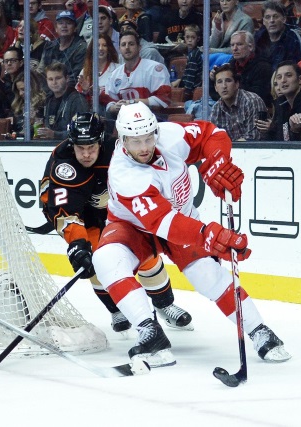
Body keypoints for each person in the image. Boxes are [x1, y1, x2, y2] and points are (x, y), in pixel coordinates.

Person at [89, 102, 291, 367]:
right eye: (136, 141)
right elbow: (162, 221)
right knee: (105, 260)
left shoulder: (169, 135)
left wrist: (218, 160)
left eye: (149, 137)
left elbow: (212, 133)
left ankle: (260, 331)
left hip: (182, 218)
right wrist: (208, 235)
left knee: (207, 274)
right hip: (134, 229)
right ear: (122, 139)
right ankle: (150, 331)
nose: (144, 147)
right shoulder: (124, 173)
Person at [40, 112, 194, 333]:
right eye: (80, 147)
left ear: (101, 140)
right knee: (95, 262)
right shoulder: (63, 165)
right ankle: (116, 310)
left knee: (147, 256)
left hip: (119, 212)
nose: (85, 154)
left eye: (91, 147)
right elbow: (64, 212)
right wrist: (77, 243)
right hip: (84, 218)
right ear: (71, 143)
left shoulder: (118, 151)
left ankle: (164, 304)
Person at [100, 29, 171, 133]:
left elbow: (163, 100)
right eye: (123, 45)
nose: (127, 47)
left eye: (131, 44)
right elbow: (109, 102)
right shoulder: (115, 74)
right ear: (119, 49)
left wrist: (133, 103)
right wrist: (114, 107)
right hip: (125, 123)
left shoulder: (155, 68)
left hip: (153, 121)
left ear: (139, 47)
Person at [258, 61, 301, 141]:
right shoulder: (280, 104)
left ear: (300, 79)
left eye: (288, 75)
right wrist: (270, 130)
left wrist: (296, 130)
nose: (283, 80)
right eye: (279, 77)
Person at [210, 64, 268, 141]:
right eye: (219, 82)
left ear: (236, 84)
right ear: (216, 88)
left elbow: (253, 137)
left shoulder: (251, 101)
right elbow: (213, 139)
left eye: (228, 81)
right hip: (230, 150)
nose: (224, 86)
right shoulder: (216, 108)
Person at [38, 62, 89, 140]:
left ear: (67, 78)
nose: (54, 82)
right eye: (50, 79)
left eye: (58, 78)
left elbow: (83, 130)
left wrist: (55, 135)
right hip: (49, 147)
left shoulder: (77, 100)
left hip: (71, 148)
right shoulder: (47, 100)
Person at [37, 10, 88, 86]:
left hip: (70, 90)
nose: (64, 26)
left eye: (68, 23)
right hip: (47, 88)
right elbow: (40, 71)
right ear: (56, 28)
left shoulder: (82, 47)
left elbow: (75, 76)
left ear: (75, 28)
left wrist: (55, 87)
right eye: (61, 23)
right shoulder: (49, 45)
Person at [254, 0, 301, 71]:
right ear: (263, 21)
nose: (271, 20)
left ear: (284, 19)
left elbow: (299, 68)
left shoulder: (294, 38)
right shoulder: (258, 39)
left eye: (275, 16)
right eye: (268, 17)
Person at [76, 33, 120, 104]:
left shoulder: (118, 69)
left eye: (104, 45)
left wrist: (99, 94)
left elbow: (120, 97)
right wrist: (85, 91)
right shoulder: (85, 70)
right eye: (97, 45)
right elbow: (78, 100)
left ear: (109, 48)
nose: (101, 48)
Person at [170, 24, 202, 101]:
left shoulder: (194, 55)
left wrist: (185, 94)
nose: (190, 40)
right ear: (184, 38)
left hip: (192, 89)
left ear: (198, 39)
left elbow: (190, 78)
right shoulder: (191, 53)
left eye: (193, 37)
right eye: (187, 37)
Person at [10, 70, 46, 136]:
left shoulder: (44, 105)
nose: (20, 93)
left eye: (23, 89)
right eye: (18, 90)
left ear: (33, 87)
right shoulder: (17, 106)